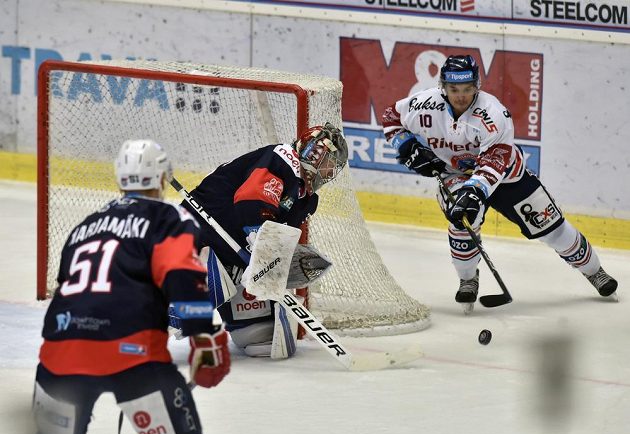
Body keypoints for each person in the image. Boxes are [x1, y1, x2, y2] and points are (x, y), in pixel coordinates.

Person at [382, 55, 618, 312]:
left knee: (552, 229)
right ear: (443, 87)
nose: (461, 96)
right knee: (462, 221)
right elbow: (390, 118)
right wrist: (407, 146)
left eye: (467, 89)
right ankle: (468, 279)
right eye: (454, 89)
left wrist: (475, 190)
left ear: (477, 85)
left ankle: (595, 271)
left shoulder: (492, 113)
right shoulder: (423, 104)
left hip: (507, 176)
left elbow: (496, 160)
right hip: (455, 175)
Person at [33, 140, 230, 434]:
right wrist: (205, 335)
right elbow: (183, 278)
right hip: (131, 354)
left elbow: (68, 288)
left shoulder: (85, 226)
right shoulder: (168, 219)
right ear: (162, 178)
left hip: (60, 352)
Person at [181, 122, 348, 358]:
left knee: (260, 334)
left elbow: (279, 236)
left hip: (233, 247)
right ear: (314, 154)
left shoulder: (306, 200)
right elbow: (251, 202)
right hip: (199, 235)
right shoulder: (282, 159)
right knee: (189, 305)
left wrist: (273, 266)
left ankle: (233, 278)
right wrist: (262, 254)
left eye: (333, 169)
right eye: (328, 165)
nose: (329, 174)